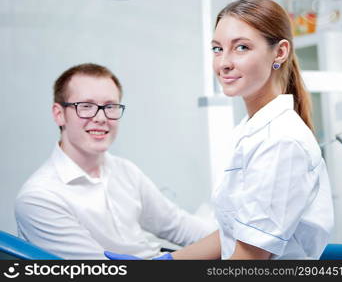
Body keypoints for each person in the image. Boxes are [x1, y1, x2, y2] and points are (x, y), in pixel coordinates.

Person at [105, 0, 334, 260]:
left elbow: (249, 258)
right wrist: (167, 263)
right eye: (217, 48)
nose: (224, 62)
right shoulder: (251, 130)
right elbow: (235, 233)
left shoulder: (281, 141)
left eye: (241, 48)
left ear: (280, 52)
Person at [15, 63, 214, 259]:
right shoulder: (39, 197)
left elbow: (179, 226)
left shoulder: (125, 171)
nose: (101, 118)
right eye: (86, 106)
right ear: (59, 115)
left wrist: (235, 237)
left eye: (110, 106)